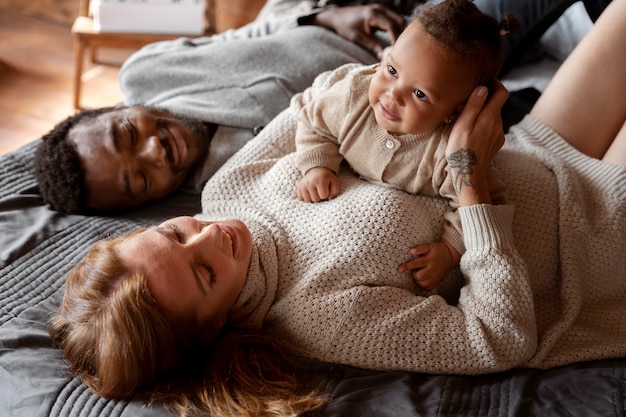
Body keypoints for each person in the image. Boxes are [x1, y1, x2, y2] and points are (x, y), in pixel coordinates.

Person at [49, 0, 626, 416]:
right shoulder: (318, 316)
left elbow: (314, 103)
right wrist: (467, 177)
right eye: (204, 274)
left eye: (176, 234)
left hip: (532, 151)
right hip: (589, 243)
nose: (212, 235)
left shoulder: (223, 191)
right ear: (216, 325)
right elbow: (499, 336)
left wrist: (406, 98)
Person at [34, 0, 608, 215]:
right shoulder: (233, 182)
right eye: (140, 180)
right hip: (432, 115)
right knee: (570, 90)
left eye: (126, 134)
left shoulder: (148, 69)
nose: (155, 150)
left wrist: (325, 17)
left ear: (113, 108)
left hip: (409, 36)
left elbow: (252, 29)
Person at [294, 0, 513, 290]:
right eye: (392, 70)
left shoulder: (452, 152)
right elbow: (313, 120)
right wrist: (317, 164)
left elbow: (486, 204)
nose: (393, 95)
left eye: (420, 93)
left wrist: (450, 249)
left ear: (455, 113)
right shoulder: (353, 95)